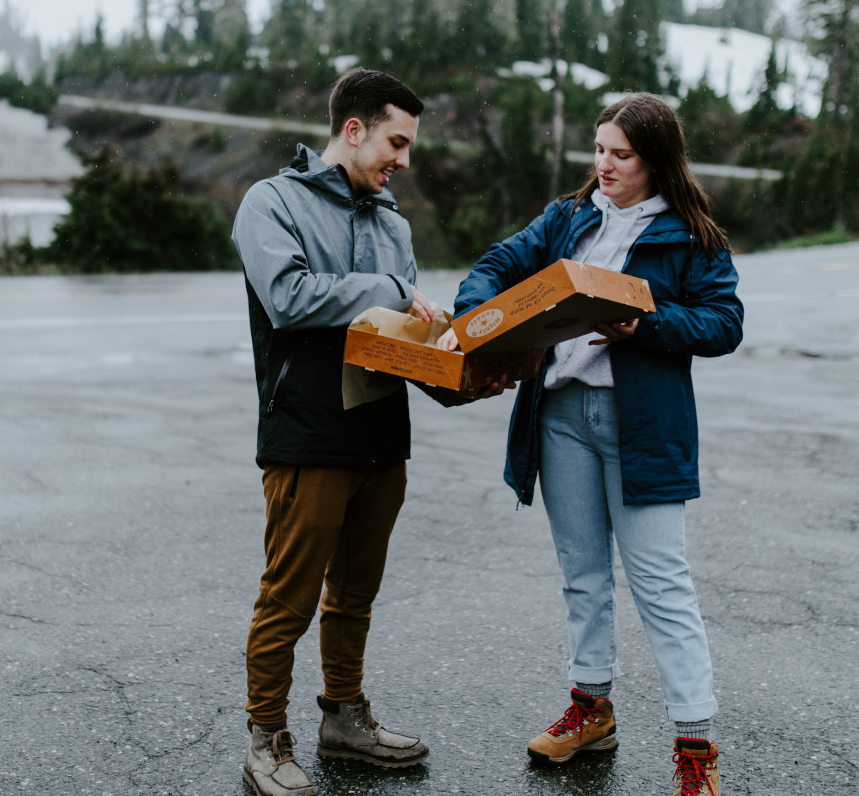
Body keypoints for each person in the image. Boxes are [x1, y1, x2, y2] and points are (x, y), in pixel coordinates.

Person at [440, 93, 743, 796]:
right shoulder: (568, 217)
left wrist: (650, 323)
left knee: (662, 584)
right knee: (583, 573)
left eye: (621, 154)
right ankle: (592, 706)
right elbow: (497, 264)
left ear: (655, 160)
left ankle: (695, 745)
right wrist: (475, 317)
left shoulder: (691, 236)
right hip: (562, 415)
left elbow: (724, 322)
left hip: (643, 426)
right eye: (599, 148)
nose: (603, 164)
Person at [231, 68, 435, 796]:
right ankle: (266, 736)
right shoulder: (271, 202)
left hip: (384, 435)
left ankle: (344, 716)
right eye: (396, 141)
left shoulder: (394, 224)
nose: (404, 160)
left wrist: (461, 366)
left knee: (355, 592)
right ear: (353, 129)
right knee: (288, 595)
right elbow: (287, 298)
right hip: (307, 433)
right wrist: (387, 291)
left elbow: (403, 335)